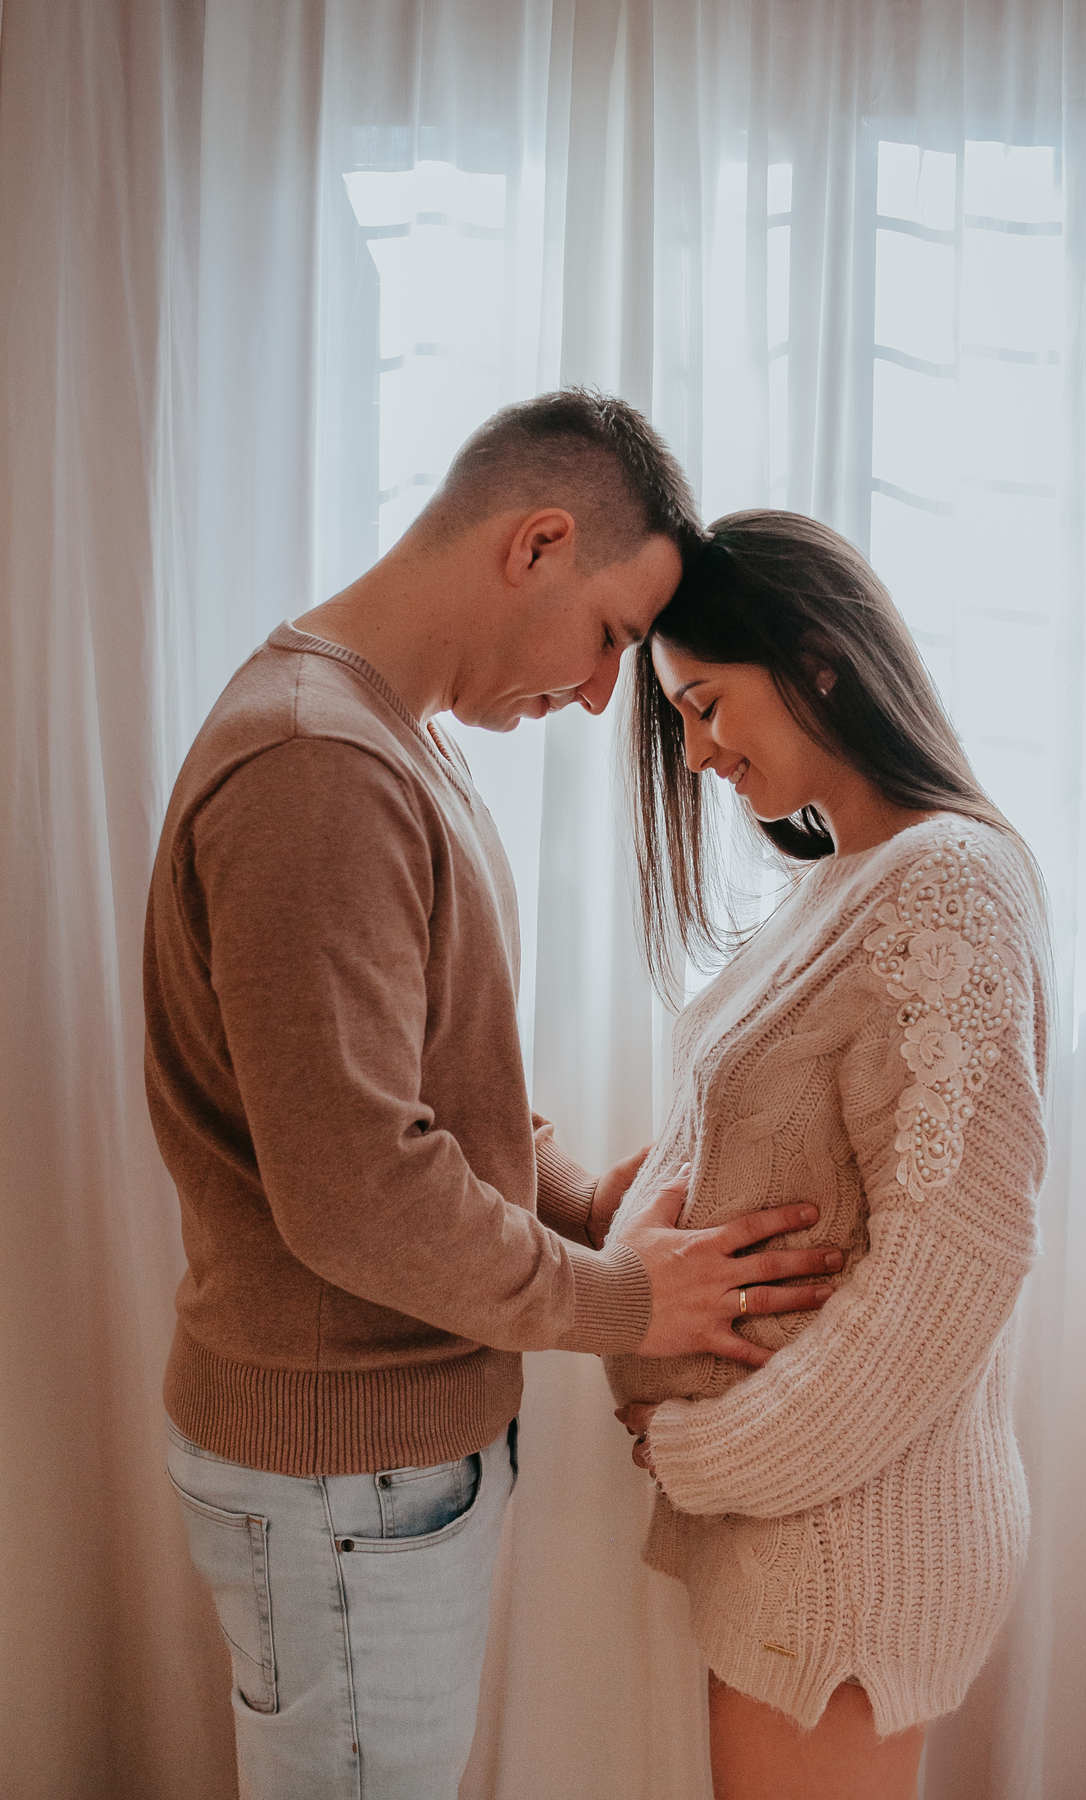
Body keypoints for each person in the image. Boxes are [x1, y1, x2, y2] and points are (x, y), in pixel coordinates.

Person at [144, 393, 842, 1800]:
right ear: (536, 544)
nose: (602, 698)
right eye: (611, 643)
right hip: (348, 1480)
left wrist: (594, 1197)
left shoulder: (388, 740)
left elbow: (431, 1093)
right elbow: (359, 1192)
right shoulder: (318, 765)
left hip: (379, 1474)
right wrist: (632, 1299)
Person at [609, 510, 1051, 1800]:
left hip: (853, 1534)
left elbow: (947, 1277)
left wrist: (704, 1449)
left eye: (703, 705)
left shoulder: (947, 884)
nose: (693, 756)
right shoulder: (837, 878)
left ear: (817, 661)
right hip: (791, 1517)